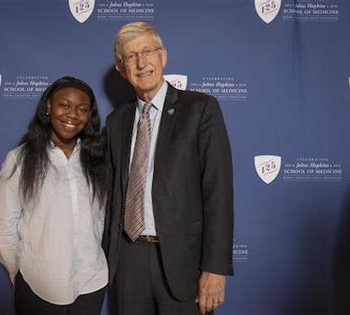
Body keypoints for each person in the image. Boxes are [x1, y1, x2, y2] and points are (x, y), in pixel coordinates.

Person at [103, 22, 234, 315]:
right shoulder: (116, 121)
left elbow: (218, 192)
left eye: (148, 51)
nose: (141, 62)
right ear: (121, 69)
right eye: (130, 56)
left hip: (183, 261)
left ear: (163, 56)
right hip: (128, 260)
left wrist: (214, 268)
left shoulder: (200, 109)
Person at [0, 76, 108, 315]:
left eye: (82, 109)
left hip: (91, 283)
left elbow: (101, 219)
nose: (72, 115)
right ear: (48, 106)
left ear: (89, 115)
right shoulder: (20, 159)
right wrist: (22, 274)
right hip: (39, 287)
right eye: (64, 105)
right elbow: (5, 229)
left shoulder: (99, 159)